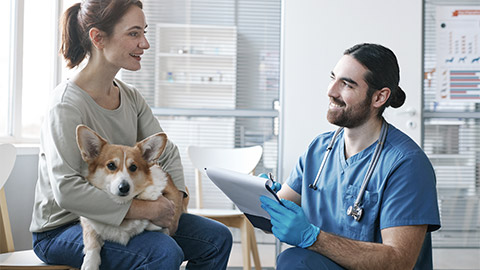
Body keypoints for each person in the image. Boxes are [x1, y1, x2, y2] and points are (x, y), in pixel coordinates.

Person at [29, 1, 232, 269]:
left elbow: (167, 151)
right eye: (134, 33)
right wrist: (148, 210)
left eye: (144, 32)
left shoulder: (130, 97)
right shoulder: (66, 105)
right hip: (62, 228)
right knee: (163, 252)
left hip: (126, 216)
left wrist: (175, 204)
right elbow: (67, 191)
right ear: (98, 38)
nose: (145, 43)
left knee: (217, 239)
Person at [260, 43, 441, 269]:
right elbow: (273, 220)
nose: (331, 91)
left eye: (346, 84)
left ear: (379, 98)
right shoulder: (319, 149)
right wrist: (260, 199)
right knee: (295, 259)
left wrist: (313, 237)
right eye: (333, 78)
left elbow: (399, 261)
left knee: (295, 260)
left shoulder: (406, 164)